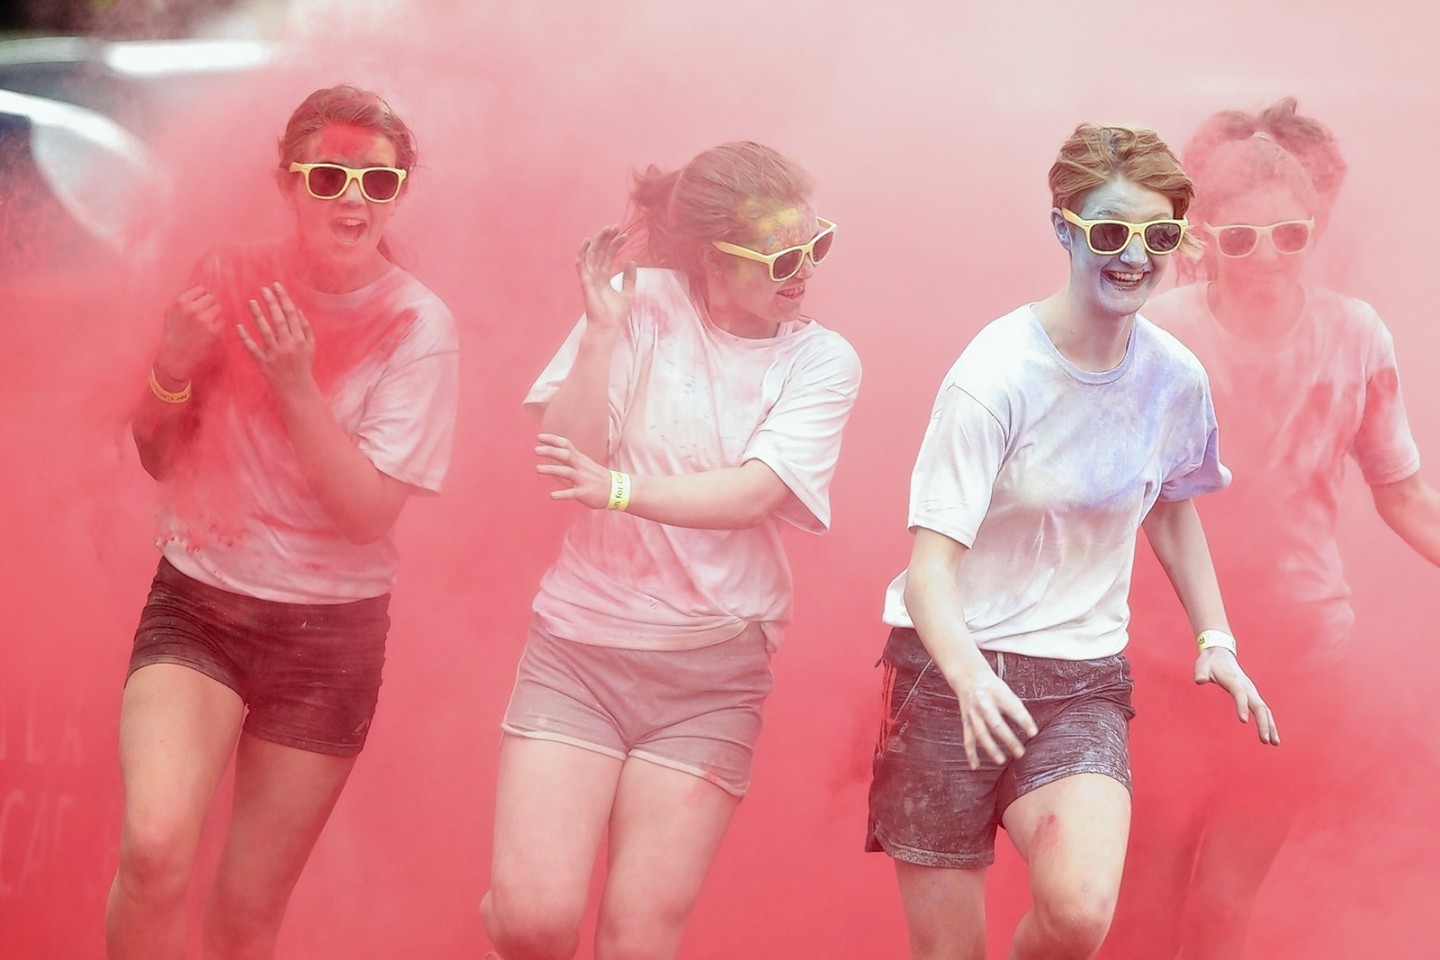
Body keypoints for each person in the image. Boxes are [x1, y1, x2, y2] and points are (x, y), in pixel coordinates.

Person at [864, 123, 1280, 960]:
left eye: (1159, 236)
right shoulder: (994, 375)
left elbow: (1168, 506)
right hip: (946, 677)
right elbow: (927, 573)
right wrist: (969, 677)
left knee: (1082, 910)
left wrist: (1217, 638)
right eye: (1110, 231)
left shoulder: (1174, 378)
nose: (1135, 255)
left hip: (1080, 680)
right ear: (1063, 228)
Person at [480, 141, 861, 960]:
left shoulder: (821, 359)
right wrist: (597, 337)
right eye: (782, 256)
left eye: (816, 245)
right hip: (578, 651)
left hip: (710, 674)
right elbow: (565, 458)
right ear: (712, 262)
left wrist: (618, 490)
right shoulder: (639, 302)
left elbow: (753, 495)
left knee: (636, 938)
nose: (805, 270)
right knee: (531, 921)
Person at [107, 85, 459, 960]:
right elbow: (158, 452)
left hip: (327, 642)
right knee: (154, 853)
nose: (353, 200)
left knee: (242, 914)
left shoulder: (419, 326)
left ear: (400, 192)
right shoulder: (225, 274)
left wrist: (298, 386)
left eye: (379, 184)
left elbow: (366, 513)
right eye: (331, 176)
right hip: (200, 605)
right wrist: (171, 368)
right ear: (289, 182)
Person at [1101, 98, 1440, 960]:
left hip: (1302, 660)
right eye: (1242, 236)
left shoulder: (1353, 334)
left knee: (1223, 901)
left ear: (1316, 227)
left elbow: (1401, 492)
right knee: (1143, 890)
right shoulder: (1161, 333)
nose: (1267, 257)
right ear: (1202, 231)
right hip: (1167, 657)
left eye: (1290, 236)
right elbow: (1105, 489)